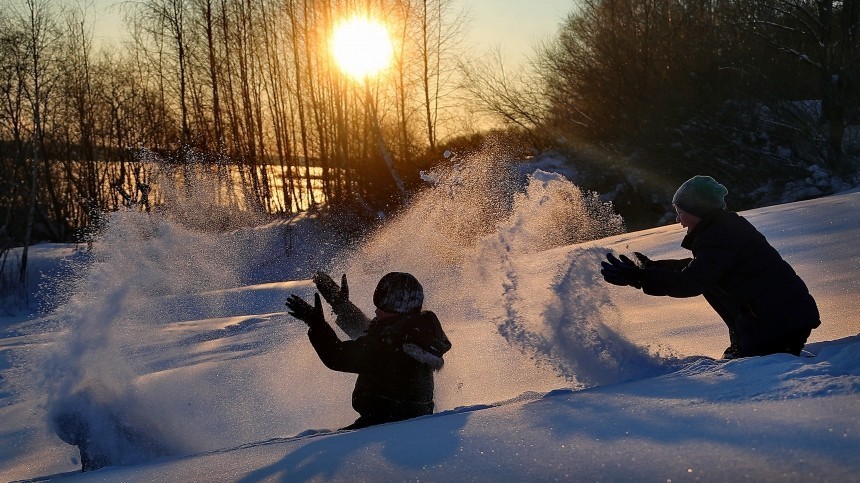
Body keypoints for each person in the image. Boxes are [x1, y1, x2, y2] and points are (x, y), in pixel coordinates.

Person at [600, 175, 821, 359]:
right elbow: (697, 270)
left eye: (680, 212)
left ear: (697, 210)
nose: (679, 220)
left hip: (778, 323)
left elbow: (692, 282)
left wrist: (639, 278)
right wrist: (647, 267)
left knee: (752, 370)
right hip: (779, 319)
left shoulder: (720, 235)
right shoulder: (721, 230)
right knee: (743, 361)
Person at [286, 271, 452, 430]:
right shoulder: (415, 333)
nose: (376, 309)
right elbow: (367, 333)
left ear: (397, 308)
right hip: (407, 421)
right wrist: (341, 305)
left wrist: (316, 324)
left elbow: (337, 356)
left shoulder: (392, 346)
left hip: (386, 426)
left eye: (382, 303)